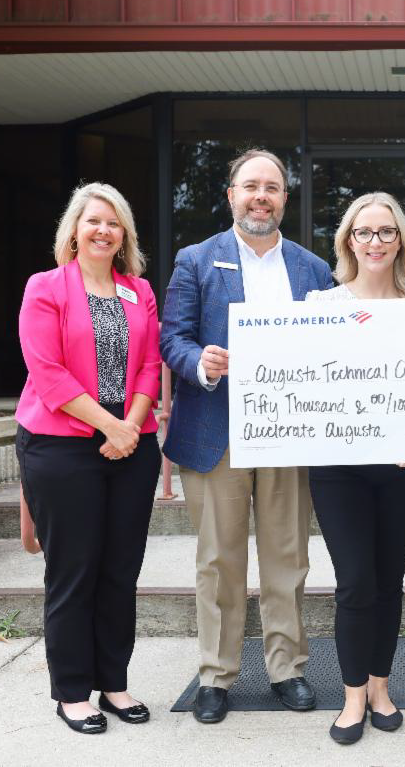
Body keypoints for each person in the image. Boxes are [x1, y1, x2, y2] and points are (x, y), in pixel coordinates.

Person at [160, 148, 333, 724]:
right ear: (231, 194)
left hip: (289, 432)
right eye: (251, 186)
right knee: (218, 559)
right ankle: (216, 674)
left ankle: (288, 669)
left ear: (286, 198)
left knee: (288, 556)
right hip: (217, 432)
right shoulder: (195, 260)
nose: (262, 196)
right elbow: (172, 338)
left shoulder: (312, 269)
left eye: (273, 187)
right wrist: (200, 362)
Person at [15, 182, 162, 734]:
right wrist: (110, 426)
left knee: (120, 571)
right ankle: (73, 691)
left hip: (132, 444)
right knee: (73, 571)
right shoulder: (46, 287)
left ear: (125, 235)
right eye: (93, 221)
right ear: (73, 230)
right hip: (60, 446)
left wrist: (130, 427)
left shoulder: (138, 291)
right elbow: (47, 371)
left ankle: (114, 683)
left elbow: (150, 364)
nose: (103, 230)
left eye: (114, 223)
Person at [304, 192, 405, 745]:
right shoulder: (319, 305)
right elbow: (304, 384)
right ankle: (352, 694)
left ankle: (382, 687)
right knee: (355, 582)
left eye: (386, 232)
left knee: (389, 580)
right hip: (340, 470)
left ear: (401, 241)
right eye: (364, 233)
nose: (376, 242)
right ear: (347, 242)